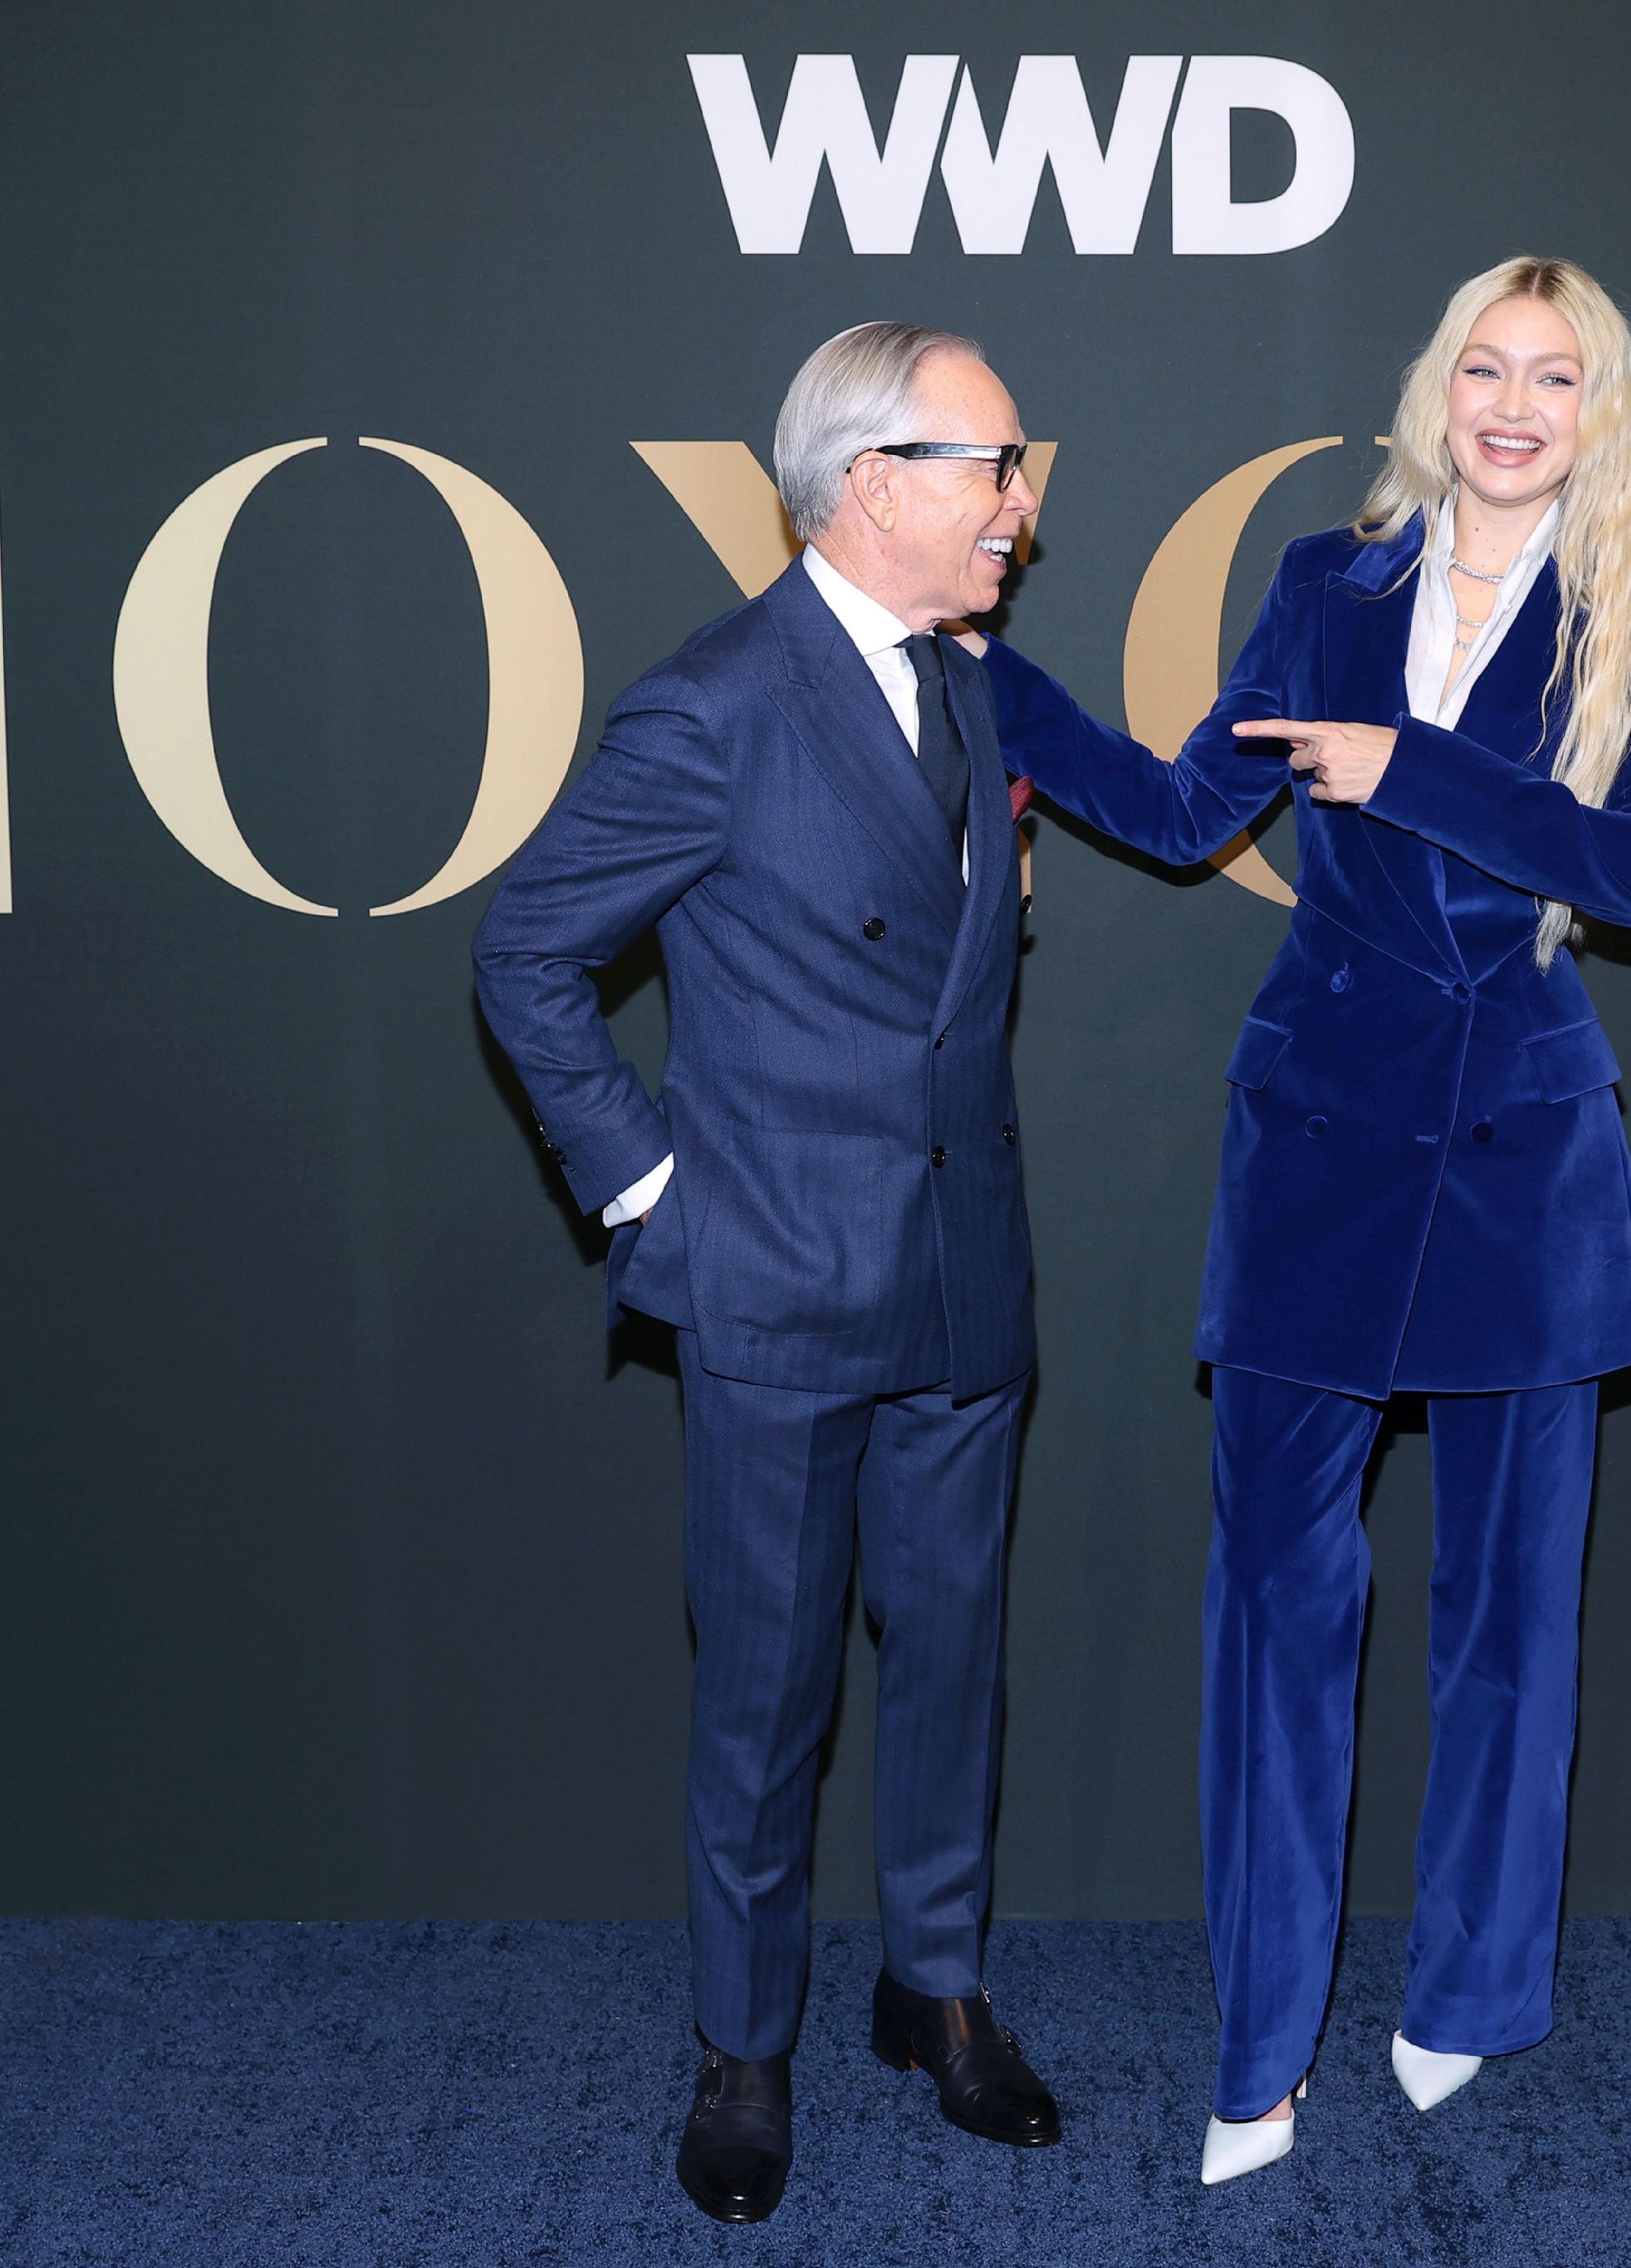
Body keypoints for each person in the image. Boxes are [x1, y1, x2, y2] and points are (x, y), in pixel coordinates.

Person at [970, 257, 1631, 2186]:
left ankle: (1468, 1991)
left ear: (1600, 409)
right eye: (1487, 363)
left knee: (1509, 1620)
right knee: (1275, 1607)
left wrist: (1422, 771)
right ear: (1436, 385)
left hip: (1527, 1161)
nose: (1515, 402)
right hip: (1315, 1132)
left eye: (1558, 375)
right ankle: (1257, 2047)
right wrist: (986, 680)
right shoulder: (1328, 581)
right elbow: (1169, 802)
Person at [473, 322, 1064, 2226]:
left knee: (953, 1662)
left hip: (965, 1272)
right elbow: (528, 954)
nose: (1021, 501)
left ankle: (937, 1988)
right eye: (995, 463)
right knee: (768, 1693)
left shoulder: (971, 692)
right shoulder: (714, 704)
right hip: (779, 1286)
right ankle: (746, 2044)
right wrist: (656, 1193)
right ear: (873, 480)